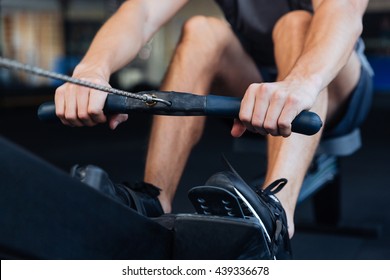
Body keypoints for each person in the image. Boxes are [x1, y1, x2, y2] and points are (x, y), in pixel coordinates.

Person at [54, 0, 373, 258]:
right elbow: (142, 10)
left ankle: (276, 220)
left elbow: (343, 10)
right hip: (258, 87)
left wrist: (302, 83)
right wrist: (93, 68)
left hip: (333, 81)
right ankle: (154, 199)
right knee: (201, 30)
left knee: (295, 23)